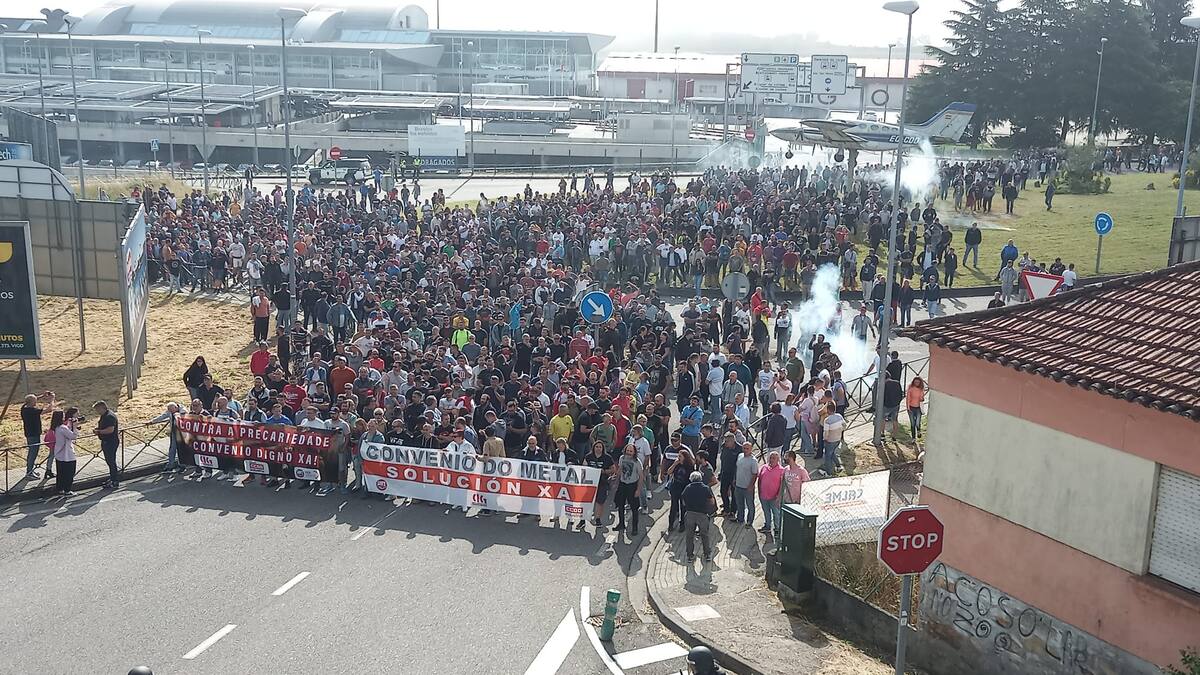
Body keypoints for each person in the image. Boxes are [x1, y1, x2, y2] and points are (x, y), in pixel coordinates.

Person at [681, 470, 717, 564]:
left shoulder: (687, 488)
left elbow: (683, 501)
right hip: (702, 515)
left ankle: (690, 556)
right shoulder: (705, 488)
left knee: (689, 536)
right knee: (704, 535)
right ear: (700, 478)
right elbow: (712, 501)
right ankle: (707, 555)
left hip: (690, 514)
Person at [21, 390, 56, 479]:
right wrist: (52, 399)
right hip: (34, 434)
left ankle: (30, 471)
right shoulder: (32, 410)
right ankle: (29, 473)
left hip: (29, 433)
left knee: (32, 453)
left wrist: (42, 396)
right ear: (32, 402)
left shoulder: (24, 408)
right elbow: (49, 410)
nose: (36, 402)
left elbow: (30, 400)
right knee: (33, 453)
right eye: (35, 401)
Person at [584, 440, 616, 528]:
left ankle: (598, 519)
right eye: (596, 447)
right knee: (586, 501)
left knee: (600, 502)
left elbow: (613, 469)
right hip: (590, 483)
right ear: (593, 447)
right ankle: (583, 519)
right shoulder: (588, 456)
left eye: (600, 447)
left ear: (603, 449)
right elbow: (584, 467)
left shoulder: (607, 457)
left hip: (602, 482)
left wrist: (605, 471)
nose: (598, 449)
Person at [614, 443, 644, 533]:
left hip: (632, 485)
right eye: (628, 450)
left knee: (634, 508)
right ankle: (621, 524)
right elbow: (620, 470)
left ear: (634, 452)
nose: (629, 453)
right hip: (623, 484)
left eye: (631, 451)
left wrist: (638, 490)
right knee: (620, 505)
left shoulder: (637, 461)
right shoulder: (622, 458)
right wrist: (616, 481)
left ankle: (635, 528)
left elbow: (641, 476)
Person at [757, 451, 786, 539]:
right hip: (763, 495)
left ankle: (777, 529)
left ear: (778, 460)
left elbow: (782, 485)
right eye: (770, 457)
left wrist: (779, 496)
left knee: (776, 514)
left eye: (774, 458)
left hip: (775, 497)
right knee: (766, 512)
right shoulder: (764, 467)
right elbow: (760, 480)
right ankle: (767, 526)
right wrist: (759, 491)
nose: (771, 459)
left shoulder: (782, 470)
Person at [53, 408, 80, 496]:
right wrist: (75, 427)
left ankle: (60, 489)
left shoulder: (56, 427)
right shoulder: (63, 428)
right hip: (67, 454)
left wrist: (70, 424)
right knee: (69, 473)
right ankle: (67, 490)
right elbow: (73, 436)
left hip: (59, 453)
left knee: (60, 473)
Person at [93, 401, 120, 489]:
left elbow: (110, 430)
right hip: (107, 441)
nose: (97, 411)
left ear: (102, 408)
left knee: (111, 461)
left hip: (110, 442)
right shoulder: (105, 415)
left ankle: (114, 480)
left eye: (98, 409)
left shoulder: (109, 416)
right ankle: (112, 478)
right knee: (109, 461)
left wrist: (99, 431)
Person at [733, 442, 759, 526]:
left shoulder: (753, 461)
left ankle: (749, 521)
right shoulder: (740, 456)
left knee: (750, 504)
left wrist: (751, 486)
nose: (745, 450)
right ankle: (740, 518)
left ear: (751, 449)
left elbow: (755, 474)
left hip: (748, 487)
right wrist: (735, 479)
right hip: (738, 485)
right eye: (744, 448)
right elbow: (737, 468)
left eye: (747, 448)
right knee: (739, 503)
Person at [818, 402, 844, 477]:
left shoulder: (827, 420)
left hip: (830, 440)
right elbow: (844, 425)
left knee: (827, 456)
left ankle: (828, 473)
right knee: (832, 453)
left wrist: (825, 439)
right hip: (838, 439)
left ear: (828, 410)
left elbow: (826, 432)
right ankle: (838, 466)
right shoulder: (839, 416)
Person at [906, 376, 927, 441]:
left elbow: (922, 398)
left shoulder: (921, 389)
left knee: (917, 422)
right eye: (915, 382)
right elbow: (908, 398)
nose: (917, 383)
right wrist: (908, 407)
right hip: (911, 407)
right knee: (912, 423)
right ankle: (913, 437)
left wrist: (922, 398)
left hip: (918, 408)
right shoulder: (911, 388)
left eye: (918, 382)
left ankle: (918, 431)